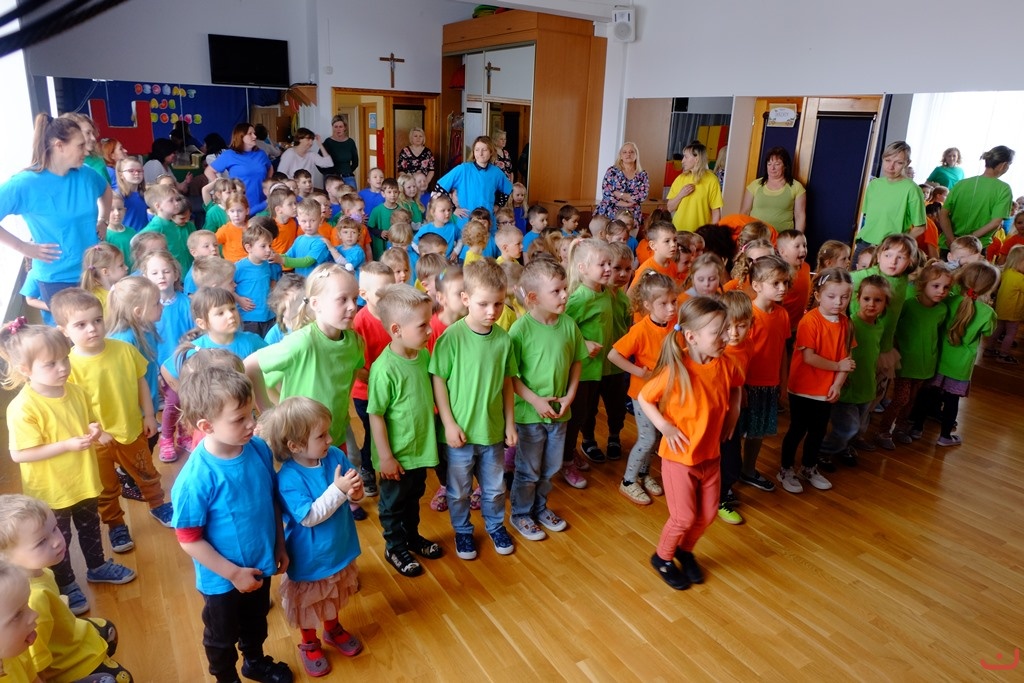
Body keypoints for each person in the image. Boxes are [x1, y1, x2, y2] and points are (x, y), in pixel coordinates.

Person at [1, 320, 136, 617]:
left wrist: (94, 430)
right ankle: (66, 584)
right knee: (56, 539)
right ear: (25, 369)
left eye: (65, 358)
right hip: (52, 490)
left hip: (84, 480)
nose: (63, 367)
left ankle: (97, 566)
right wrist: (66, 445)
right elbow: (19, 454)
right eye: (51, 364)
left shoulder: (75, 391)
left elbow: (86, 421)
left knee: (90, 527)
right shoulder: (23, 407)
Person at [170, 366, 292, 683]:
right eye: (239, 419)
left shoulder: (259, 449)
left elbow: (271, 499)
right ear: (206, 426)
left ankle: (254, 661)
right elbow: (188, 539)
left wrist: (279, 544)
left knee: (256, 621)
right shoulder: (196, 478)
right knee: (221, 636)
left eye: (251, 413)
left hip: (260, 562)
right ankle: (226, 677)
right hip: (222, 579)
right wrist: (233, 573)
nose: (252, 423)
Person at [50, 288, 171, 552]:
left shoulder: (125, 350)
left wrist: (149, 415)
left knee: (147, 474)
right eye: (81, 325)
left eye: (97, 320)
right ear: (63, 330)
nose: (92, 328)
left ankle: (158, 505)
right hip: (96, 441)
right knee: (106, 488)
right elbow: (70, 407)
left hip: (131, 430)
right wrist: (95, 431)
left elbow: (141, 382)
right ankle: (116, 525)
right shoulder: (67, 366)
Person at [638, 297, 741, 590]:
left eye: (727, 330)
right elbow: (645, 397)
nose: (727, 336)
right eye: (718, 332)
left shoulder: (726, 364)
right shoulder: (676, 368)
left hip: (711, 456)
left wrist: (733, 415)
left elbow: (736, 387)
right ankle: (662, 558)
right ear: (692, 337)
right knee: (683, 517)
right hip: (679, 459)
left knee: (707, 515)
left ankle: (685, 551)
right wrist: (664, 426)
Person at [259, 397, 364, 676]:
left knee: (333, 593)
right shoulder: (288, 478)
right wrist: (339, 490)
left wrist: (355, 492)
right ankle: (309, 642)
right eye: (321, 435)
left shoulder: (335, 456)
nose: (330, 439)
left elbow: (353, 490)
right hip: (310, 557)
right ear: (294, 446)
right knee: (310, 602)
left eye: (328, 432)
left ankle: (332, 628)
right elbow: (309, 517)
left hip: (338, 547)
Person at [429, 259, 518, 561]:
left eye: (498, 304)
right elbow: (438, 381)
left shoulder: (503, 340)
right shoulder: (451, 338)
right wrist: (449, 424)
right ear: (465, 299)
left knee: (494, 489)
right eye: (483, 304)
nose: (492, 311)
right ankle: (463, 530)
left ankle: (495, 526)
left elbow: (507, 383)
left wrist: (510, 423)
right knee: (458, 490)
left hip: (492, 432)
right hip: (461, 435)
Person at [0, 494, 132, 682]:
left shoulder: (42, 571)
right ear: (6, 558)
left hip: (67, 636)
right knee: (122, 678)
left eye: (54, 529)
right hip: (64, 662)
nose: (57, 541)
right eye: (41, 542)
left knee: (108, 628)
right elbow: (37, 659)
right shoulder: (34, 598)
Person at [367, 285, 445, 574]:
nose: (430, 330)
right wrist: (386, 457)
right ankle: (395, 547)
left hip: (420, 449)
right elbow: (375, 415)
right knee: (393, 504)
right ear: (396, 329)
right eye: (423, 325)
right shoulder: (384, 368)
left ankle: (411, 537)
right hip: (397, 456)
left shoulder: (422, 356)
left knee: (413, 498)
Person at [508, 260, 585, 539]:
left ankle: (539, 508)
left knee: (550, 467)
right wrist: (535, 401)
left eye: (565, 288)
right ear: (533, 297)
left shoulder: (569, 325)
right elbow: (511, 376)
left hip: (559, 414)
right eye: (556, 291)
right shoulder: (520, 330)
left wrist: (571, 395)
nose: (565, 295)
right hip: (530, 416)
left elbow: (577, 361)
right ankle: (520, 514)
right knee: (528, 470)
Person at [0, 114, 113, 303]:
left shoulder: (86, 174)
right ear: (59, 146)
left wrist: (104, 220)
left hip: (93, 271)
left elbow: (106, 190)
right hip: (57, 278)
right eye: (80, 146)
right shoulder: (24, 183)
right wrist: (23, 247)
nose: (86, 150)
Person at [776, 268, 855, 494]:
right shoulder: (809, 321)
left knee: (818, 431)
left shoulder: (846, 323)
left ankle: (809, 467)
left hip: (826, 390)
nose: (838, 302)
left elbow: (847, 360)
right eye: (832, 296)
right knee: (798, 429)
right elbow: (810, 358)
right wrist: (838, 367)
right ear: (818, 295)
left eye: (844, 297)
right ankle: (785, 469)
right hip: (803, 389)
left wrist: (837, 385)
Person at [608, 270, 675, 505]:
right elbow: (613, 355)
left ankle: (644, 474)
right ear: (647, 305)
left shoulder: (674, 325)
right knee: (647, 439)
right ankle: (628, 481)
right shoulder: (640, 330)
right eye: (663, 304)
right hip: (643, 395)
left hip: (665, 393)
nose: (671, 308)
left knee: (655, 438)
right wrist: (638, 372)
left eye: (673, 301)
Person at [875, 261, 951, 450]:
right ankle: (883, 430)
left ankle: (901, 427)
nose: (941, 291)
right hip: (905, 362)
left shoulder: (942, 310)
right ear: (923, 284)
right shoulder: (908, 305)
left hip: (926, 364)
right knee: (900, 399)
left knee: (912, 400)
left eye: (946, 287)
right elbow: (893, 328)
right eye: (936, 285)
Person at [815, 275, 889, 468]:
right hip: (847, 387)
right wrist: (837, 380)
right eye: (867, 299)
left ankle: (843, 447)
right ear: (858, 299)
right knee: (848, 427)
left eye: (878, 300)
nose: (871, 304)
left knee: (859, 426)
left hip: (866, 386)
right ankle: (823, 451)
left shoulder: (879, 326)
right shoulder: (849, 325)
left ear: (885, 303)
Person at [561, 239, 616, 488]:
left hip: (596, 369)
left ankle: (570, 451)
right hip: (580, 371)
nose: (608, 268)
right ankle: (565, 461)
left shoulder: (605, 292)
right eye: (602, 264)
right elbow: (561, 329)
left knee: (584, 414)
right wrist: (583, 343)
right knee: (575, 417)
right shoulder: (580, 298)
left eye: (609, 263)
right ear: (582, 268)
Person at [737, 255, 792, 493]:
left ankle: (748, 470)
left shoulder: (783, 314)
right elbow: (738, 354)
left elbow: (782, 351)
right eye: (776, 283)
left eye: (785, 282)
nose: (783, 288)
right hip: (748, 385)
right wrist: (740, 387)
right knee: (736, 432)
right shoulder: (748, 316)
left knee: (757, 433)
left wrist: (783, 382)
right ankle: (727, 473)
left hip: (769, 385)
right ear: (757, 285)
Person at [930, 261, 999, 446]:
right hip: (961, 366)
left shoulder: (948, 300)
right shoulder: (988, 313)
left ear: (961, 279)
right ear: (989, 287)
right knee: (952, 402)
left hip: (938, 359)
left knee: (929, 394)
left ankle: (916, 428)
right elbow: (988, 332)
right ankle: (945, 437)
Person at [938, 145, 1014, 253]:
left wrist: (951, 239)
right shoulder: (1004, 189)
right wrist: (966, 240)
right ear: (1004, 165)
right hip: (975, 247)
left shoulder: (961, 184)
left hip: (948, 245)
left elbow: (943, 214)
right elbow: (995, 222)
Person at [855, 141, 926, 257]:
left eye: (898, 162)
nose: (891, 167)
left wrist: (898, 244)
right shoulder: (874, 184)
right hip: (864, 243)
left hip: (890, 248)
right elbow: (868, 216)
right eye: (887, 160)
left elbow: (920, 227)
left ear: (907, 163)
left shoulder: (912, 189)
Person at [434, 136, 512, 227]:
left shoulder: (496, 172)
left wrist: (498, 205)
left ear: (491, 152)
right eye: (477, 150)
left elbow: (508, 190)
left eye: (484, 150)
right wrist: (453, 208)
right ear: (473, 152)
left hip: (488, 221)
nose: (480, 153)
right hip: (466, 221)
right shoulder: (463, 169)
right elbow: (440, 187)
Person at [205, 123, 274, 215]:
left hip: (261, 203)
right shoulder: (229, 155)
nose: (254, 136)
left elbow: (270, 168)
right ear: (241, 136)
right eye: (250, 134)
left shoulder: (261, 154)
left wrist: (266, 183)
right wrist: (223, 187)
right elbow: (209, 171)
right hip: (239, 205)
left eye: (254, 133)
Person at [739, 147, 806, 232]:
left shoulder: (796, 187)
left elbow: (800, 216)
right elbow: (744, 212)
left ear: (785, 166)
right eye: (769, 164)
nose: (772, 168)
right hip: (755, 235)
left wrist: (798, 237)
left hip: (782, 236)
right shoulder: (755, 185)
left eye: (777, 164)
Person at [667, 141, 722, 233]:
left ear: (697, 159)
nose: (682, 161)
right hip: (679, 231)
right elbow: (670, 208)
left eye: (686, 157)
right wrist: (681, 195)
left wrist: (712, 233)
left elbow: (716, 211)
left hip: (701, 233)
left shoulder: (712, 180)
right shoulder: (680, 178)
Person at [595, 142, 650, 226]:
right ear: (620, 156)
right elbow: (607, 194)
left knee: (629, 234)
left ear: (636, 155)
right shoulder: (612, 171)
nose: (628, 154)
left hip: (632, 214)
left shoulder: (642, 174)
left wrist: (619, 194)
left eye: (631, 152)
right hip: (610, 212)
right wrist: (626, 203)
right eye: (625, 152)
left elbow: (642, 196)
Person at [989, 245, 1024, 362]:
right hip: (1013, 312)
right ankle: (1003, 355)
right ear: (1019, 262)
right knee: (1010, 334)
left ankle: (989, 349)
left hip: (1000, 309)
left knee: (997, 330)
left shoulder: (1006, 273)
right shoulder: (1020, 278)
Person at [323, 116, 359, 187]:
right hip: (332, 178)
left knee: (352, 194)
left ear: (345, 128)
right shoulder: (328, 142)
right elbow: (319, 160)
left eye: (340, 126)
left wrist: (347, 171)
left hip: (348, 177)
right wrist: (327, 173)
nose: (338, 129)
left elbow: (355, 162)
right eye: (336, 127)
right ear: (332, 127)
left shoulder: (350, 142)